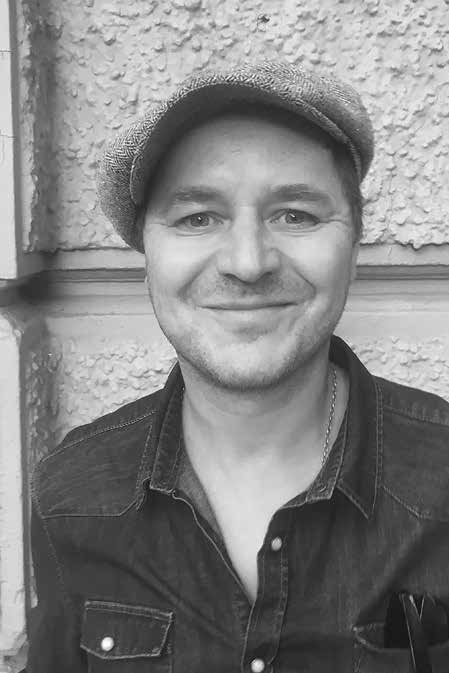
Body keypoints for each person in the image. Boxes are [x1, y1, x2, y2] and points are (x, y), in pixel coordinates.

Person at [27, 61, 449, 673]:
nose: (248, 263)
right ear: (148, 254)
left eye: (296, 215)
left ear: (354, 244)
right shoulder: (72, 494)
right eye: (197, 217)